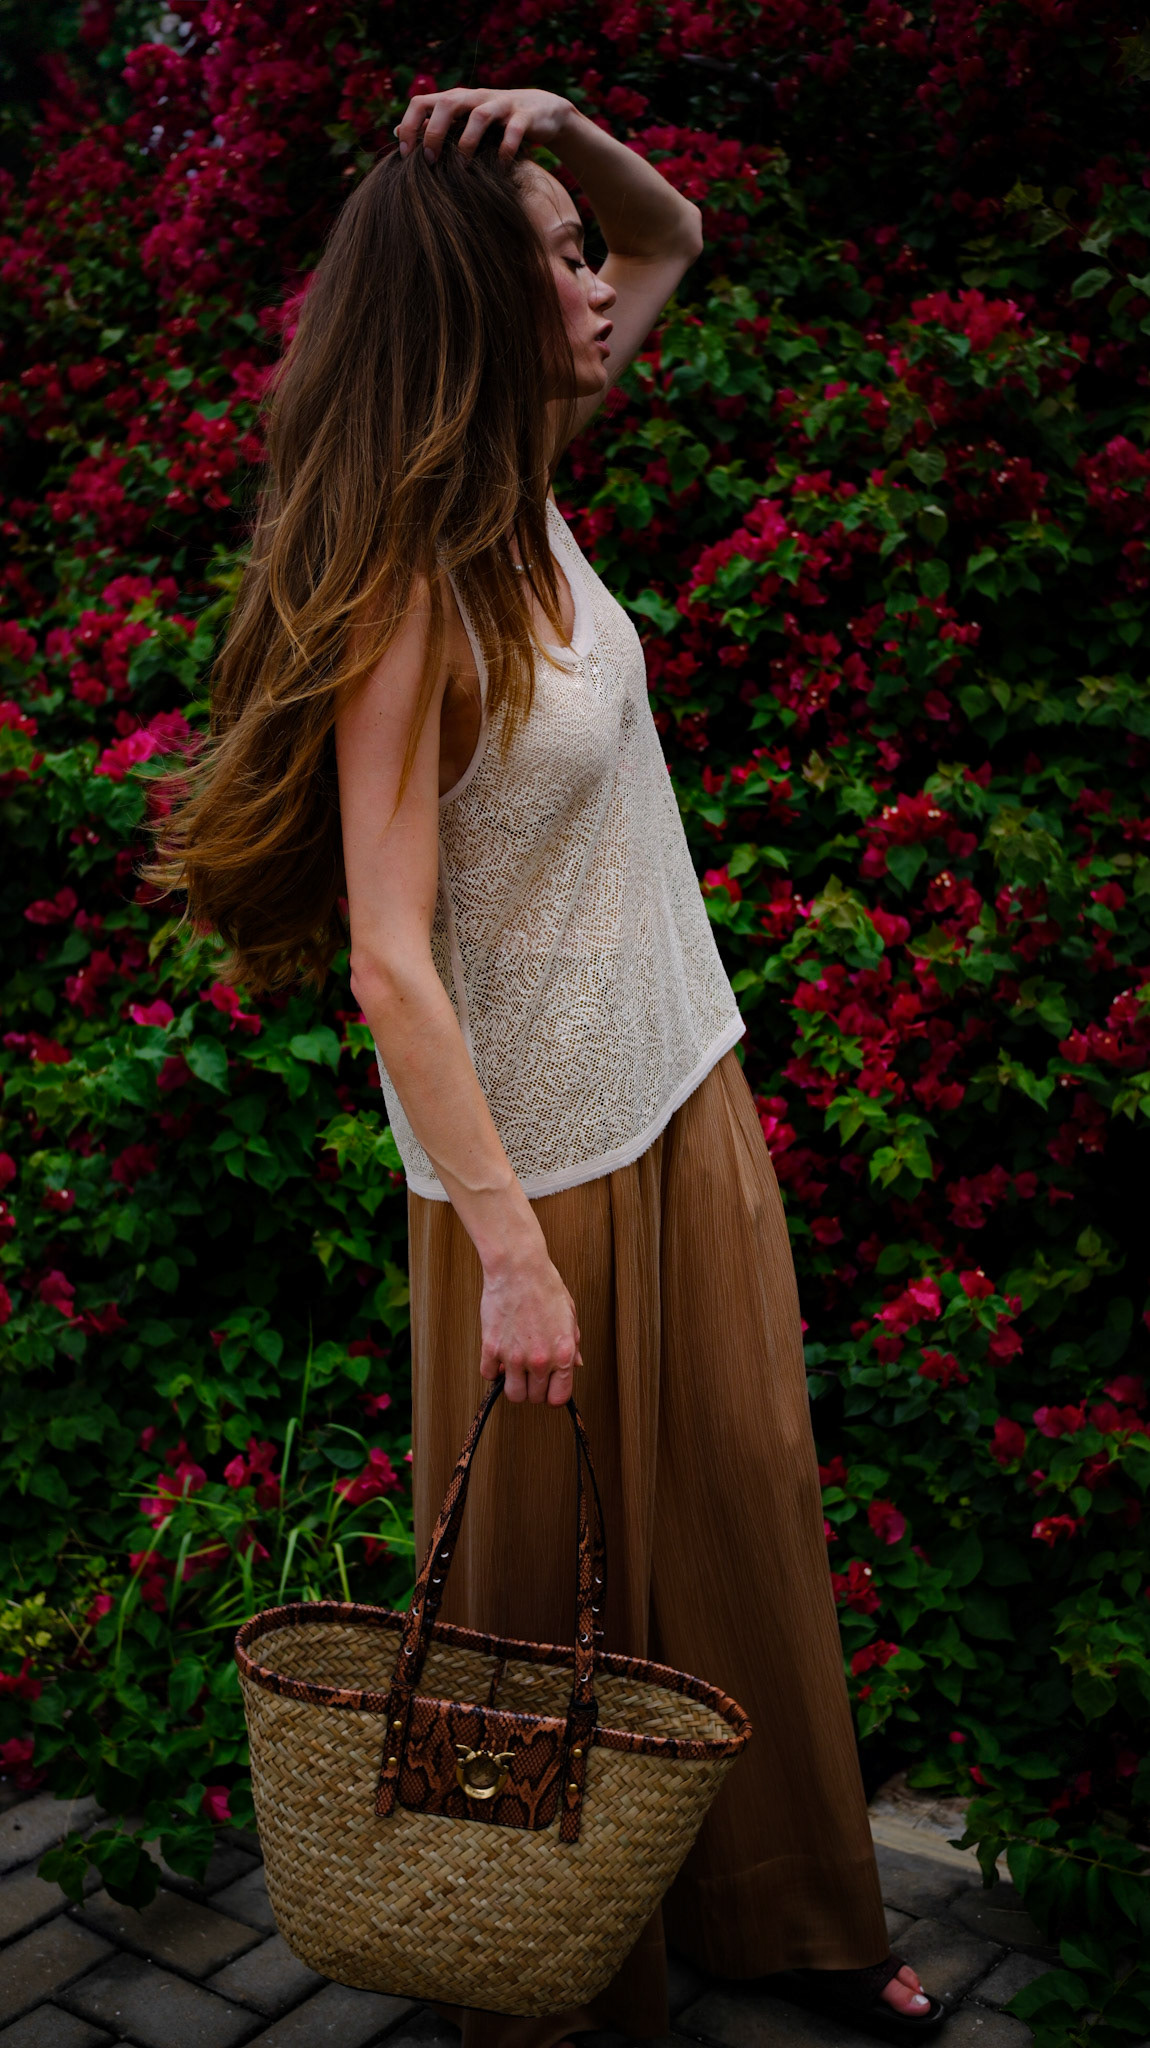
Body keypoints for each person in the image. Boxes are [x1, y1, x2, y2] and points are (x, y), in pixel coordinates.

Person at [153, 79, 944, 2048]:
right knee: (531, 1592)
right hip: (531, 1171)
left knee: (743, 1509)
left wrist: (567, 134)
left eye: (587, 261)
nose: (602, 284)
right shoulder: (409, 582)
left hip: (679, 1086)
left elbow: (676, 232)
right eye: (560, 262)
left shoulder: (525, 488)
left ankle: (784, 1916)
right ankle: (544, 1978)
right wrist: (506, 1249)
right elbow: (385, 955)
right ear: (478, 308)